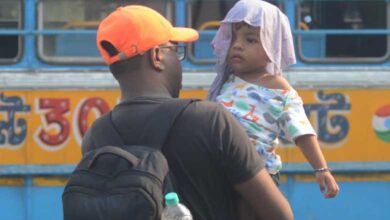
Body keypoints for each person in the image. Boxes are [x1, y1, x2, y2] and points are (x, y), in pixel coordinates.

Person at [81, 5, 293, 220]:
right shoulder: (210, 120)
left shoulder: (96, 136)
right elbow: (279, 215)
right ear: (157, 56)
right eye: (175, 50)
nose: (178, 61)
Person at [208, 0, 339, 198]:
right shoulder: (226, 81)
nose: (237, 46)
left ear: (272, 47)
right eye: (233, 38)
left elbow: (302, 131)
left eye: (250, 40)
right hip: (220, 174)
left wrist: (321, 169)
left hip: (257, 176)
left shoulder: (277, 86)